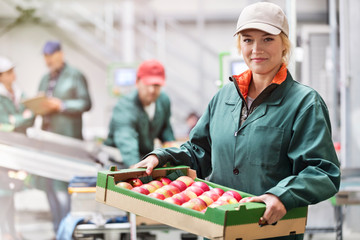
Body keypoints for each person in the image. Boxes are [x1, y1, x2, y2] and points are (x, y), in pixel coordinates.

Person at [132, 2, 340, 240]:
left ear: (284, 44)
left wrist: (282, 195)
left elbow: (323, 171)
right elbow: (199, 150)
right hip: (219, 227)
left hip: (270, 231)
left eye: (267, 39)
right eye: (248, 39)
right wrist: (162, 156)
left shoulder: (304, 103)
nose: (256, 49)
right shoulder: (224, 97)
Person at [104, 59, 175, 168]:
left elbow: (165, 128)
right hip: (119, 161)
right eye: (148, 84)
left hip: (144, 158)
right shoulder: (124, 107)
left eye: (156, 85)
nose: (152, 90)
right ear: (137, 82)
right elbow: (126, 141)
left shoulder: (163, 101)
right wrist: (136, 167)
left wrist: (171, 149)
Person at [0, 56, 32, 240]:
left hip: (16, 150)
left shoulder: (17, 93)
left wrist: (17, 120)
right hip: (3, 152)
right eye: (9, 72)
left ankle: (10, 230)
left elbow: (30, 112)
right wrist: (20, 119)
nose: (14, 75)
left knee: (11, 193)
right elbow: (5, 125)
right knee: (3, 194)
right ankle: (5, 232)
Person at [38, 41, 92, 140]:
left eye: (50, 55)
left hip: (68, 135)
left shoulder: (75, 75)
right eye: (45, 56)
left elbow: (86, 103)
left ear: (61, 54)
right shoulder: (45, 78)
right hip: (47, 134)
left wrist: (61, 105)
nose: (48, 60)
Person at [0, 56, 34, 133]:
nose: (13, 74)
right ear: (0, 77)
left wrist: (14, 119)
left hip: (23, 136)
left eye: (13, 71)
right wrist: (24, 117)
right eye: (9, 72)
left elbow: (32, 112)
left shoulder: (19, 91)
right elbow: (5, 121)